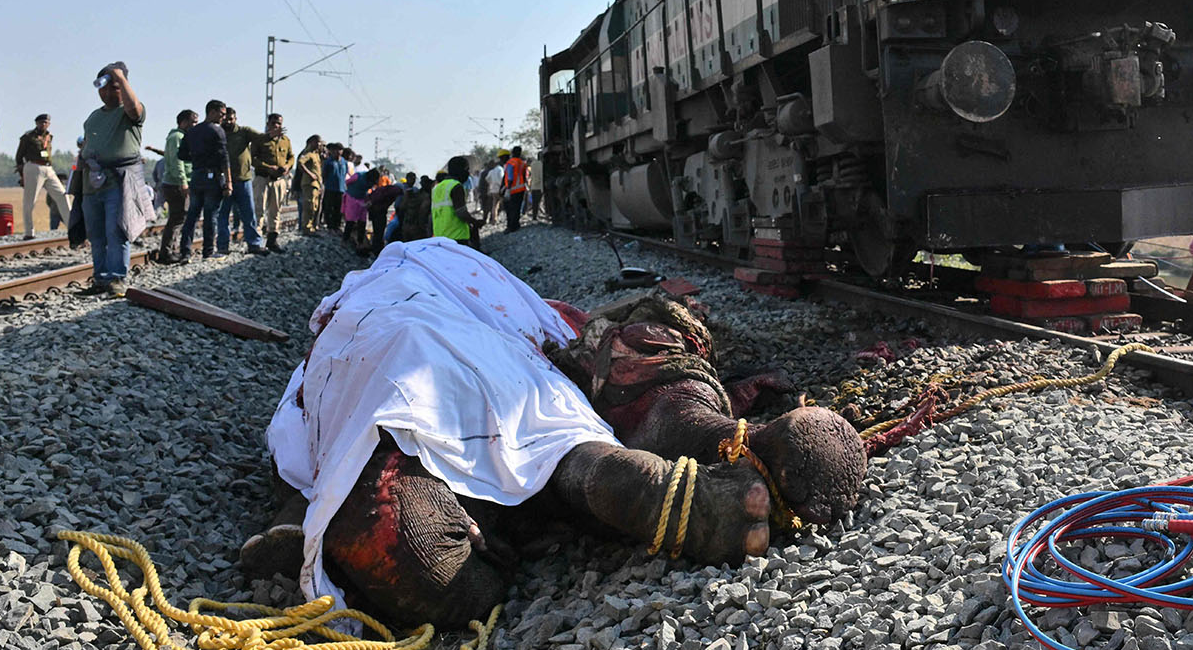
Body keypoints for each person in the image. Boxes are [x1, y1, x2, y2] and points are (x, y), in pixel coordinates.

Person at [241, 243, 863, 627]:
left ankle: (546, 493)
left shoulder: (362, 302)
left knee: (397, 447)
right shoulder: (476, 282)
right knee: (542, 408)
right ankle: (640, 461)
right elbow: (558, 336)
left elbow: (297, 424)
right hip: (465, 329)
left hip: (389, 344)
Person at [79, 63, 149, 297]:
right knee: (96, 234)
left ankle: (116, 278)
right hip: (93, 182)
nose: (108, 93)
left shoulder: (129, 112)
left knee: (116, 231)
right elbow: (86, 145)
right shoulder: (93, 117)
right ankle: (100, 278)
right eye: (104, 88)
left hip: (119, 181)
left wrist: (120, 76)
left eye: (115, 88)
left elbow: (134, 108)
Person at [178, 100, 230, 260]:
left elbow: (182, 154)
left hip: (197, 175)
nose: (223, 118)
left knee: (192, 215)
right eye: (221, 114)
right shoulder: (217, 131)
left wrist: (197, 157)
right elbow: (224, 158)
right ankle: (208, 251)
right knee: (210, 216)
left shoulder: (192, 131)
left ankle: (185, 252)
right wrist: (229, 182)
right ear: (212, 112)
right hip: (213, 177)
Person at [145, 109, 197, 264]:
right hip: (175, 184)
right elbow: (177, 162)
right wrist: (183, 182)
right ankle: (167, 252)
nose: (195, 125)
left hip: (176, 183)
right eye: (193, 122)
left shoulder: (180, 137)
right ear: (184, 122)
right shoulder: (177, 137)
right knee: (177, 218)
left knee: (178, 218)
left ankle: (170, 250)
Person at [217, 108, 269, 256]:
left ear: (235, 119)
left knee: (249, 214)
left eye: (231, 119)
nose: (228, 122)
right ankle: (222, 246)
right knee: (223, 215)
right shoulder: (218, 133)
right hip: (225, 181)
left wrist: (271, 135)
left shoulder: (244, 132)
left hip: (243, 179)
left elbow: (261, 138)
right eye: (226, 119)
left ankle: (254, 244)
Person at [15, 114, 71, 239]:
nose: (43, 125)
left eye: (46, 122)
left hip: (48, 167)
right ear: (36, 123)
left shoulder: (49, 136)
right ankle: (29, 232)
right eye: (41, 122)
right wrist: (22, 174)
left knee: (63, 195)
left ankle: (72, 228)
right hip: (33, 167)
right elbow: (19, 156)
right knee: (30, 201)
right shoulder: (28, 137)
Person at [252, 114, 294, 253]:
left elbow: (291, 157)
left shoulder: (285, 140)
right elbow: (252, 158)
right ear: (268, 124)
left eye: (279, 123)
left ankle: (272, 240)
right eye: (273, 123)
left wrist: (287, 166)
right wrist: (267, 167)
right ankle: (256, 242)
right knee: (259, 210)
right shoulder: (260, 139)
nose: (276, 126)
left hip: (279, 181)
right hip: (263, 179)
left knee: (275, 211)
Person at [431, 156, 483, 248]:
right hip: (456, 236)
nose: (468, 173)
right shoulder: (456, 186)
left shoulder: (437, 188)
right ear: (460, 170)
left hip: (440, 236)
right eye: (467, 169)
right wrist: (475, 222)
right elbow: (461, 213)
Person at [365, 172, 403, 254]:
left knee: (377, 231)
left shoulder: (385, 189)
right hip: (379, 212)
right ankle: (377, 249)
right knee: (379, 231)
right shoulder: (395, 190)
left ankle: (376, 247)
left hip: (375, 211)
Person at [295, 134, 325, 234]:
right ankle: (306, 227)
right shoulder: (308, 153)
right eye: (317, 142)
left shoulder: (316, 155)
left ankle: (311, 227)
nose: (319, 144)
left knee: (315, 207)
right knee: (309, 206)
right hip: (309, 184)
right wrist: (310, 174)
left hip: (316, 185)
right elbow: (300, 162)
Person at [502, 146, 530, 234]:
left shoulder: (510, 163)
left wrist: (508, 189)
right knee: (517, 208)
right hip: (521, 188)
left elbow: (510, 177)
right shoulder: (522, 163)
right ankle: (516, 225)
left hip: (513, 189)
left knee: (510, 208)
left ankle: (511, 227)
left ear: (512, 153)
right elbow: (525, 176)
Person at [322, 143, 347, 231]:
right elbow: (324, 174)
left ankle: (337, 225)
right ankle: (329, 225)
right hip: (330, 188)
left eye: (340, 150)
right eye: (336, 150)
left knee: (339, 208)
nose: (338, 152)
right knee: (329, 207)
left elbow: (345, 173)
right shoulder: (328, 161)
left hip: (341, 189)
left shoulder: (344, 162)